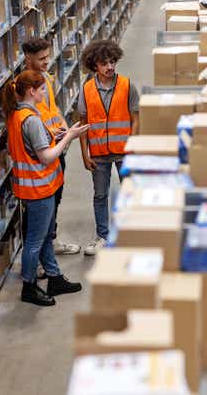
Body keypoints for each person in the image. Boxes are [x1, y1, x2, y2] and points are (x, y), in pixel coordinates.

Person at [2, 70, 90, 306]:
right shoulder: (30, 120)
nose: (45, 92)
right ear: (32, 91)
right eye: (42, 89)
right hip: (39, 189)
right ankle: (29, 287)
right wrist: (69, 136)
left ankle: (54, 277)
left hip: (34, 188)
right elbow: (47, 156)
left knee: (41, 237)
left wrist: (56, 134)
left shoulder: (18, 114)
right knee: (35, 241)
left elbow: (29, 146)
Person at [78, 40, 140, 256]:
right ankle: (102, 236)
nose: (110, 67)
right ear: (94, 65)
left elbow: (135, 118)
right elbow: (83, 124)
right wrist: (84, 155)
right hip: (99, 154)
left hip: (124, 151)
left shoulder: (127, 85)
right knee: (100, 195)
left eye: (112, 61)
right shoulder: (86, 90)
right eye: (104, 63)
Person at [21, 37, 82, 256]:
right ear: (28, 59)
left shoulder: (45, 79)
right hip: (40, 155)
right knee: (38, 209)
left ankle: (51, 242)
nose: (47, 61)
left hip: (56, 147)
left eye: (48, 56)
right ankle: (36, 255)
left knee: (56, 199)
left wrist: (64, 127)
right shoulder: (24, 86)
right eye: (42, 58)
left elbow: (52, 110)